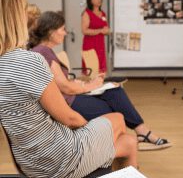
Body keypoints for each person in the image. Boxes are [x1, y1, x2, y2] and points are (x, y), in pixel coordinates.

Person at [0, 0, 137, 178]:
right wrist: (88, 134)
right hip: (59, 161)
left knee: (129, 142)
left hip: (28, 163)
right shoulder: (29, 61)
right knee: (117, 118)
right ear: (17, 17)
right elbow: (70, 119)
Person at [30, 11, 171, 151]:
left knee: (115, 91)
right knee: (117, 110)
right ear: (51, 31)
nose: (66, 33)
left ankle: (142, 132)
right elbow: (66, 88)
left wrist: (82, 84)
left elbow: (59, 83)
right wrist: (91, 85)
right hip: (68, 103)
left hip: (69, 98)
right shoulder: (44, 52)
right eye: (62, 29)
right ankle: (128, 144)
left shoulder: (43, 50)